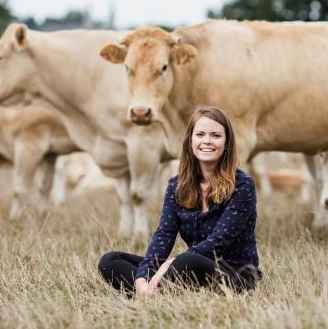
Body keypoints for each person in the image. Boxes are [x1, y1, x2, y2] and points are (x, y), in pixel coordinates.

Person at [98, 106, 261, 298]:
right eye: (200, 134)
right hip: (186, 267)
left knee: (188, 261)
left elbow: (219, 241)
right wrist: (143, 275)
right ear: (190, 141)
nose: (207, 141)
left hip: (234, 274)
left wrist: (170, 264)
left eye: (216, 135)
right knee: (110, 260)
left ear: (226, 143)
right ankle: (149, 291)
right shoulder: (176, 185)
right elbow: (164, 236)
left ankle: (153, 292)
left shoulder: (242, 185)